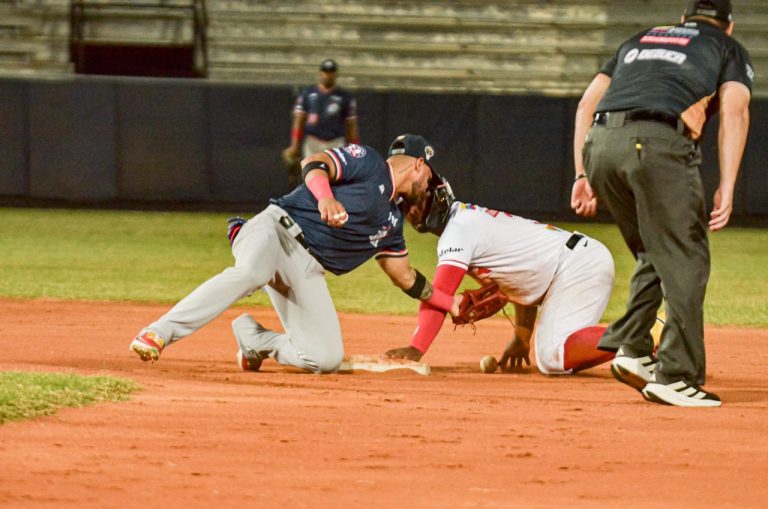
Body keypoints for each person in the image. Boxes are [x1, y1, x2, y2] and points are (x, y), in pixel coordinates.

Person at [130, 134, 454, 374]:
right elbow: (314, 163)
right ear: (418, 164)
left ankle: (255, 339)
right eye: (429, 177)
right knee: (252, 273)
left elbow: (405, 277)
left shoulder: (393, 221)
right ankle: (159, 332)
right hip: (277, 230)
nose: (429, 186)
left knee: (325, 358)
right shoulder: (370, 163)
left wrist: (451, 304)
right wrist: (325, 198)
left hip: (307, 270)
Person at [572, 0, 752, 406]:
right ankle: (675, 375)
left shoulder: (641, 38)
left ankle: (633, 348)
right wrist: (727, 183)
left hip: (600, 144)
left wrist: (582, 174)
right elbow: (735, 112)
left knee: (654, 249)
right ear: (728, 25)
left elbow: (586, 104)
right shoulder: (727, 47)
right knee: (686, 256)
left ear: (684, 19)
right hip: (656, 143)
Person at [384, 175, 618, 376]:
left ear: (438, 196)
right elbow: (521, 282)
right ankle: (631, 338)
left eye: (417, 202)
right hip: (575, 262)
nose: (412, 211)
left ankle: (635, 337)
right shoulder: (465, 218)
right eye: (405, 208)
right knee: (555, 355)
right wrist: (522, 338)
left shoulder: (458, 230)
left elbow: (439, 294)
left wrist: (416, 347)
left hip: (578, 266)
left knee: (552, 357)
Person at [283, 59, 360, 167]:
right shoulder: (308, 93)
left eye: (331, 72)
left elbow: (351, 126)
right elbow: (299, 120)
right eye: (325, 71)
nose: (327, 75)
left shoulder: (344, 97)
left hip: (335, 143)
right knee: (312, 173)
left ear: (336, 74)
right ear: (320, 73)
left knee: (335, 174)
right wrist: (294, 146)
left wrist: (355, 150)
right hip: (313, 142)